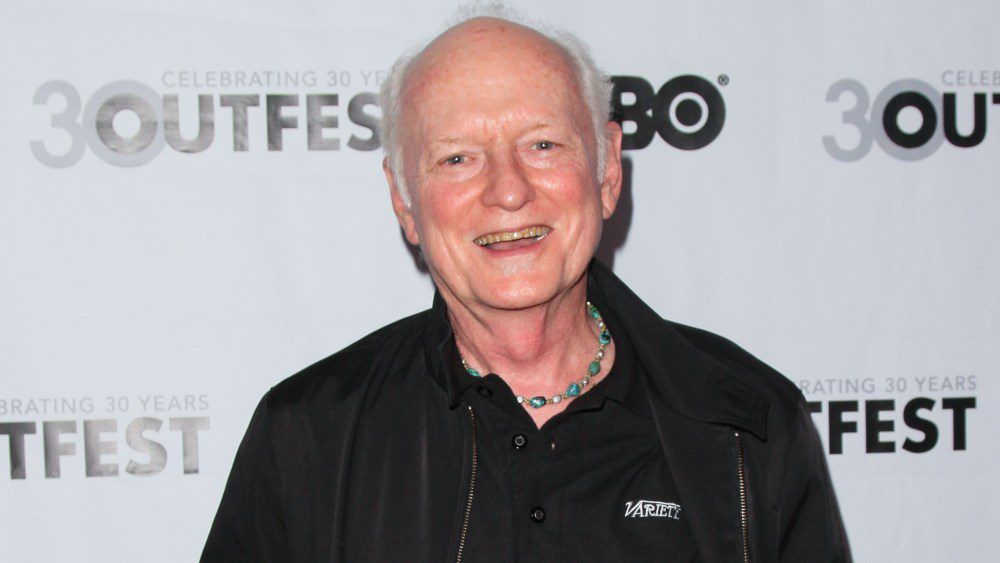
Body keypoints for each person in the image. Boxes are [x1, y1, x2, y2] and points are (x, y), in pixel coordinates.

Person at [203, 7, 850, 562]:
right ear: (404, 201)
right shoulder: (309, 435)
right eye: (457, 157)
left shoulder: (747, 425)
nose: (508, 189)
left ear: (606, 172)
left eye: (542, 145)